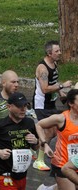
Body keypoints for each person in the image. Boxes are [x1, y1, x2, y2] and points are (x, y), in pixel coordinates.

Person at [32, 40, 73, 171]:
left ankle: (36, 149)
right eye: (57, 51)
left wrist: (61, 93)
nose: (60, 53)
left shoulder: (54, 64)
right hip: (41, 104)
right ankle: (39, 159)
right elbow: (44, 88)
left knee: (52, 131)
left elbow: (54, 82)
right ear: (49, 53)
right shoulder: (42, 68)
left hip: (50, 103)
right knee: (50, 131)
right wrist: (62, 86)